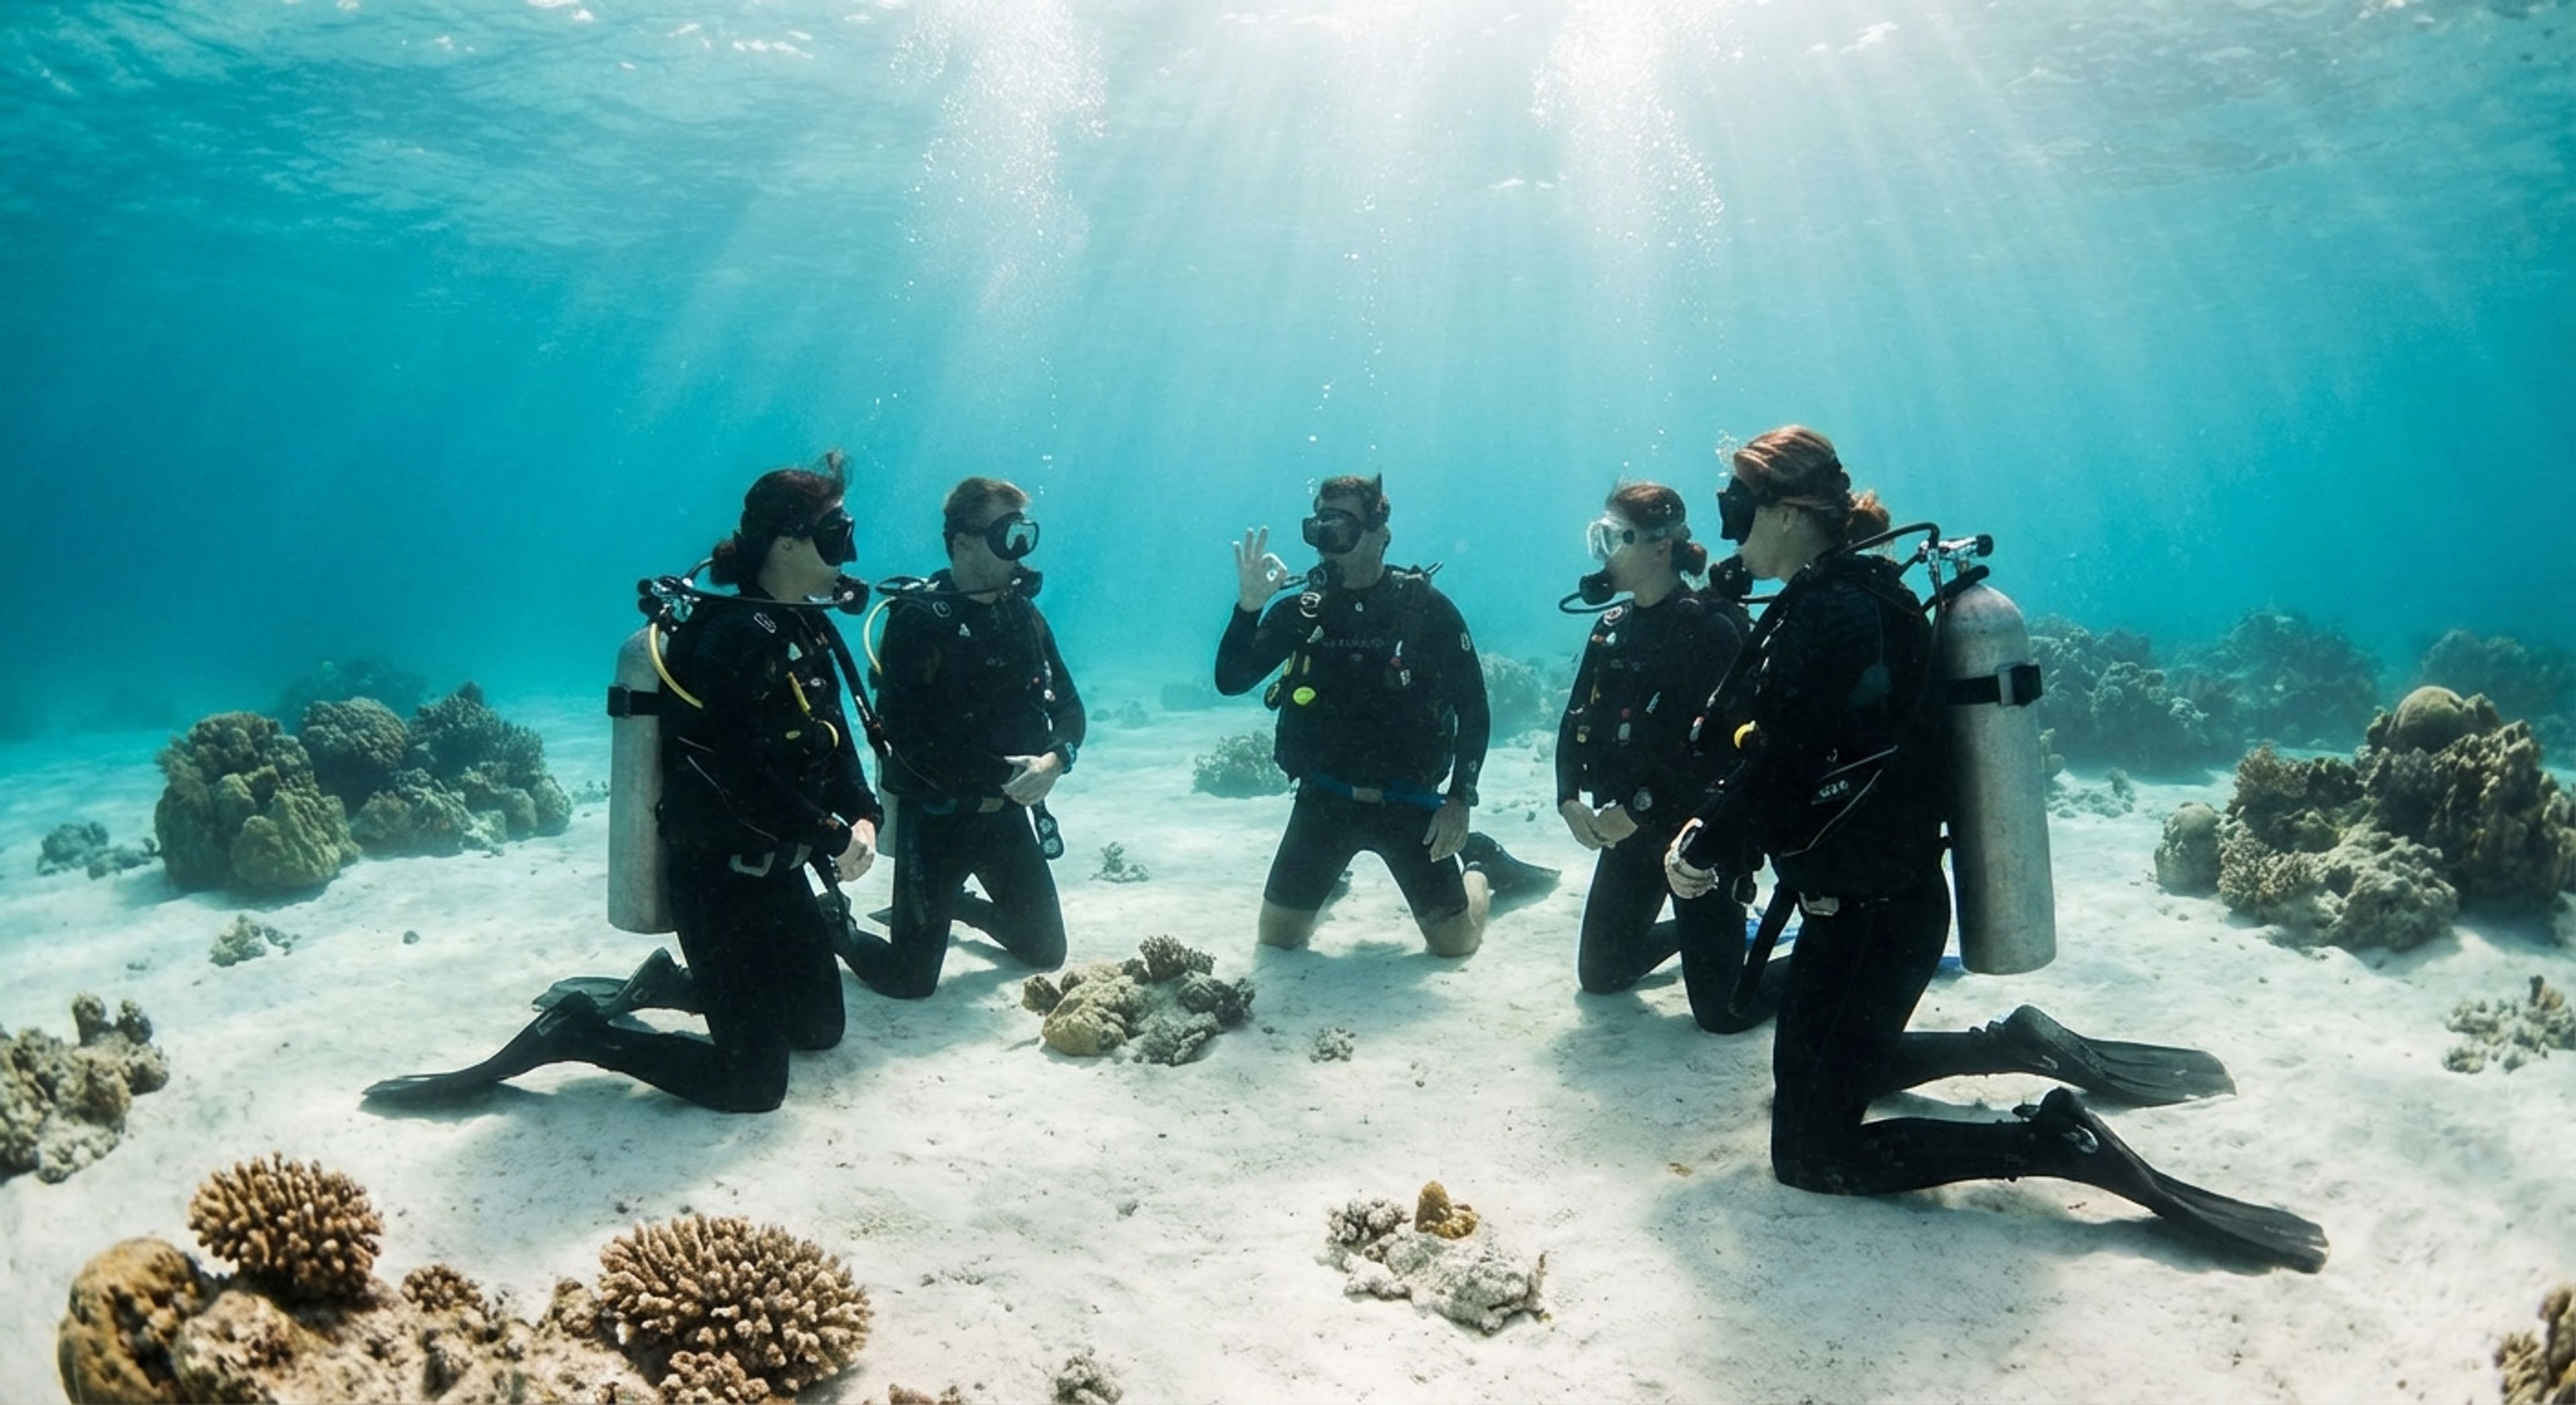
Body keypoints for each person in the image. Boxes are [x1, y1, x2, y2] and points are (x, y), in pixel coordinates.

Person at [1664, 425, 2326, 1272]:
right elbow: (1797, 753)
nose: (1727, 528)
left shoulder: (1835, 611)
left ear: (1793, 513)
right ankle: (2007, 1044)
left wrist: (1710, 844)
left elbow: (1787, 765)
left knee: (1808, 1155)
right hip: (1867, 910)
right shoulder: (1841, 596)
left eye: (1735, 507)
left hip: (1874, 922)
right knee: (1828, 1081)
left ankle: (2053, 1142)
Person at [366, 457, 882, 1114]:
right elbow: (738, 774)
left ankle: (684, 984)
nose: (851, 555)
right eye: (837, 537)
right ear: (786, 544)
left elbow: (838, 744)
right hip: (718, 884)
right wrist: (829, 831)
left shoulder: (807, 630)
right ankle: (581, 1031)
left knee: (821, 1031)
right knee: (753, 1083)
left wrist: (862, 818)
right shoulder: (722, 640)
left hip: (784, 874)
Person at [1218, 473, 1547, 958]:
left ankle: (1479, 863)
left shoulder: (1425, 610)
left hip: (1409, 804)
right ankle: (1330, 879)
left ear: (1379, 533)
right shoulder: (1302, 612)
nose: (1326, 544)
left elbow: (1473, 707)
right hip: (1324, 801)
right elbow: (1232, 680)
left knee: (1454, 945)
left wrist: (1460, 798)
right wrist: (1248, 607)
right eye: (1318, 528)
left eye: (1341, 528)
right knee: (1278, 939)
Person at [835, 476, 1081, 999]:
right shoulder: (920, 619)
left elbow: (1069, 706)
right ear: (964, 542)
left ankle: (962, 905)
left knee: (1046, 951)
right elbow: (904, 738)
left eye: (1024, 535)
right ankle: (835, 922)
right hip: (939, 820)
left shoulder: (1022, 612)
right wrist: (1007, 773)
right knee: (910, 980)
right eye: (1006, 535)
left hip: (1005, 815)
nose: (1019, 551)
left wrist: (1055, 761)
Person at [1556, 483, 1754, 1022]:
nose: (1604, 555)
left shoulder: (1714, 626)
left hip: (1699, 839)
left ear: (1661, 547)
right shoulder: (1611, 629)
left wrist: (1641, 810)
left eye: (1615, 539)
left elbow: (1725, 756)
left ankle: (1791, 954)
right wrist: (1568, 797)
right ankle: (1708, 941)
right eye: (1598, 538)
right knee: (1601, 975)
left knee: (1721, 1012)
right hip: (1631, 832)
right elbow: (1576, 718)